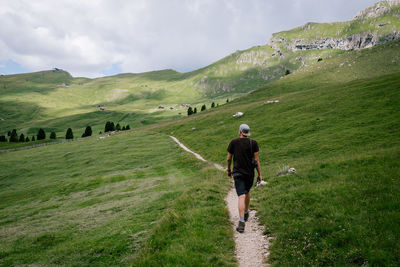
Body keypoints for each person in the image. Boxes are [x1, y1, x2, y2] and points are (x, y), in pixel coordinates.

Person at [227, 124, 262, 233]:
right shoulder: (253, 143)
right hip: (249, 173)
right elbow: (256, 161)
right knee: (247, 192)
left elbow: (229, 159)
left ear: (240, 132)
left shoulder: (233, 142)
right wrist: (259, 174)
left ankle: (241, 222)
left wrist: (229, 170)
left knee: (241, 196)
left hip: (238, 173)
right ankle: (246, 212)